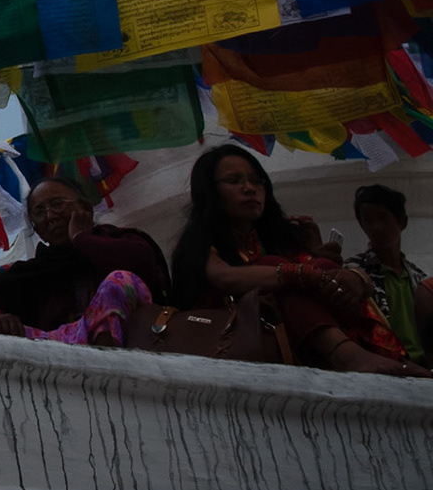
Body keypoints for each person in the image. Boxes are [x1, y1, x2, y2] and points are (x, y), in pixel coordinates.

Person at [168, 145, 429, 376]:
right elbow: (225, 277)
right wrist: (302, 273)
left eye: (256, 181)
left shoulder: (276, 237)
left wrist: (352, 276)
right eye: (234, 181)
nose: (249, 188)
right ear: (210, 192)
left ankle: (389, 357)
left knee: (324, 269)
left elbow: (325, 276)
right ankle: (346, 354)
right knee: (277, 269)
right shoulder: (198, 240)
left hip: (287, 335)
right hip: (226, 331)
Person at [0, 177, 168, 346]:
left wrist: (82, 240)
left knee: (120, 280)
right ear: (36, 228)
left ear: (86, 209)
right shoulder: (33, 272)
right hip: (62, 352)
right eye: (39, 213)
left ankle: (106, 354)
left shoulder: (121, 242)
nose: (50, 216)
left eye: (57, 204)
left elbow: (143, 264)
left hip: (135, 349)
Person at [346, 183, 433, 368]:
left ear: (401, 222)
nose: (376, 227)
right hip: (386, 366)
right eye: (368, 220)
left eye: (383, 218)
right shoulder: (354, 272)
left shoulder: (419, 279)